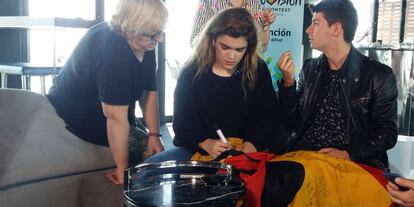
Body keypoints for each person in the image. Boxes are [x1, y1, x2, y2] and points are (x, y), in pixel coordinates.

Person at [47, 0, 167, 184]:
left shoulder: (145, 40)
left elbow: (149, 91)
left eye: (160, 31)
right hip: (81, 112)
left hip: (115, 108)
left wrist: (154, 134)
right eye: (153, 35)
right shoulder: (113, 54)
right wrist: (122, 169)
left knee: (156, 149)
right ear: (129, 29)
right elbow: (115, 118)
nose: (160, 39)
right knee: (151, 161)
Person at [145, 7, 279, 163]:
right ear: (213, 40)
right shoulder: (192, 73)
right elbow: (182, 125)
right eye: (225, 47)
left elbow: (270, 117)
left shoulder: (258, 69)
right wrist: (204, 142)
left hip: (244, 154)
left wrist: (253, 144)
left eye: (239, 49)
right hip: (197, 151)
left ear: (248, 47)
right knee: (145, 172)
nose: (231, 56)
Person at [278, 0, 398, 170]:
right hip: (305, 156)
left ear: (336, 29)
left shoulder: (378, 75)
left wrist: (349, 154)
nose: (308, 30)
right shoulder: (310, 68)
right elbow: (291, 123)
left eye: (315, 23)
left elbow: (386, 134)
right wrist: (288, 82)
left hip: (352, 163)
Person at [190, 0, 276, 53]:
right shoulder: (209, 2)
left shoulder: (254, 4)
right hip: (212, 69)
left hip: (244, 71)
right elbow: (195, 42)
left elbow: (261, 49)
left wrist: (265, 24)